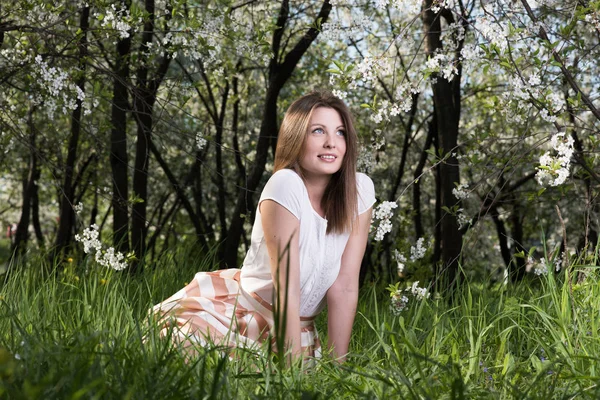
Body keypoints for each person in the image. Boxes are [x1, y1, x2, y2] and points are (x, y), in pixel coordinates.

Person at [151, 90, 375, 362]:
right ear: (295, 138)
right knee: (200, 360)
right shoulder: (286, 184)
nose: (331, 143)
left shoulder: (359, 190)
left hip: (299, 328)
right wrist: (289, 372)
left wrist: (338, 368)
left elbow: (345, 287)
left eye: (340, 132)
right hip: (243, 313)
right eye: (318, 131)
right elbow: (286, 290)